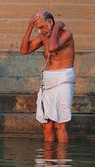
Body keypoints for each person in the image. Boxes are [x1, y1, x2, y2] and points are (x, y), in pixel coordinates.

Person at [20, 10, 75, 142]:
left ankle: (62, 161)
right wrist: (29, 27)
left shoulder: (66, 34)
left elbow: (52, 47)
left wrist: (56, 27)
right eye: (37, 28)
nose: (40, 31)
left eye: (41, 27)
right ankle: (47, 161)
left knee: (60, 125)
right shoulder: (43, 36)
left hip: (63, 80)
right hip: (47, 82)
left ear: (50, 22)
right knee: (47, 125)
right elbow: (24, 50)